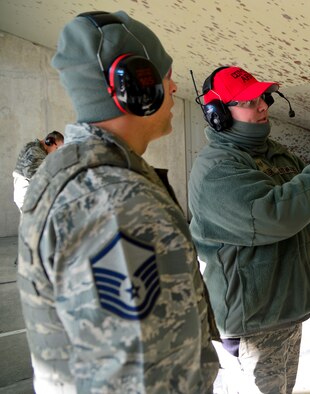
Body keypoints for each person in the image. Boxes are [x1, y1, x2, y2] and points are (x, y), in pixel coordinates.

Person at [17, 10, 218, 393]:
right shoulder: (115, 205)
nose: (174, 87)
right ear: (137, 88)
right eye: (166, 75)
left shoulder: (73, 173)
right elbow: (141, 377)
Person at [188, 65, 310, 394]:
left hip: (286, 312)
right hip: (253, 323)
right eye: (247, 102)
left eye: (262, 98)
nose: (262, 106)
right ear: (217, 114)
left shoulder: (274, 153)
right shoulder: (218, 169)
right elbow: (276, 216)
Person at [12, 131, 64, 211]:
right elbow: (34, 175)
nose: (56, 152)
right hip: (27, 197)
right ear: (49, 141)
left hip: (29, 196)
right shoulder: (34, 151)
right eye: (57, 148)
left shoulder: (38, 150)